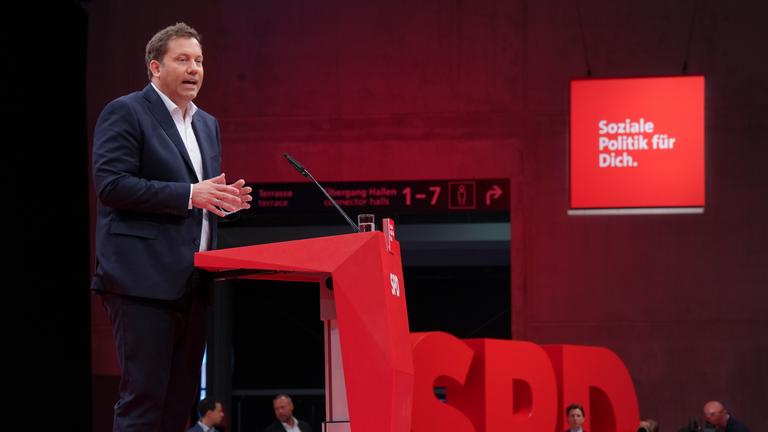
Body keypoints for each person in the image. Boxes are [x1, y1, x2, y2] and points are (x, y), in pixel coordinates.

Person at [92, 22, 252, 432]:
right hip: (141, 281)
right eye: (182, 59)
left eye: (198, 60)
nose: (194, 68)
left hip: (193, 284)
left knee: (179, 404)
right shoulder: (126, 111)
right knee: (143, 401)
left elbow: (200, 194)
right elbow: (111, 185)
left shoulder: (207, 124)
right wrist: (189, 194)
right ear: (154, 68)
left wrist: (221, 203)